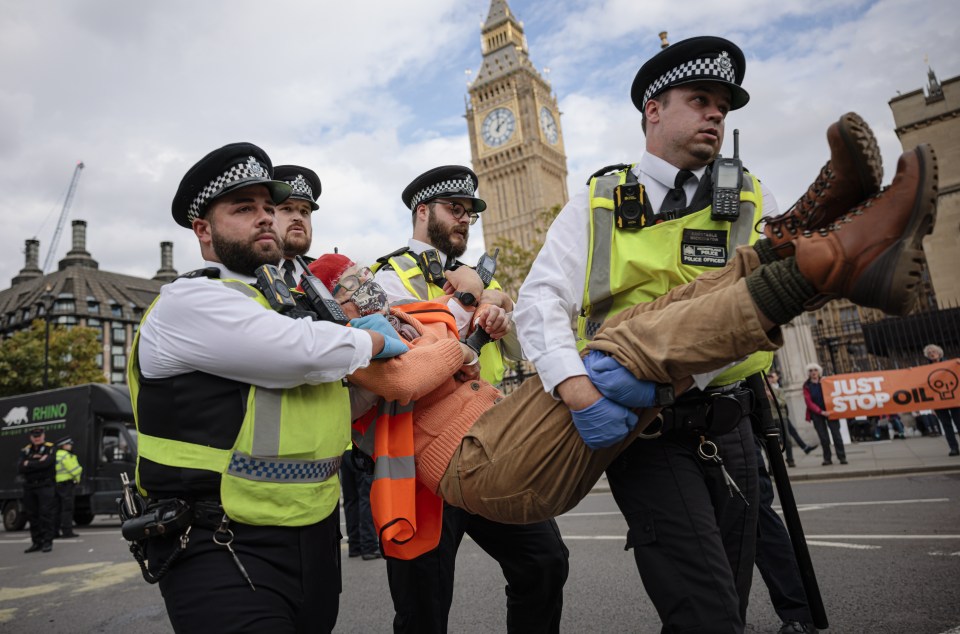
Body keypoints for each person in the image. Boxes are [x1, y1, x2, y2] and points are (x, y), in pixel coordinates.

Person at [307, 129, 936, 528]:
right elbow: (413, 376)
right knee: (623, 347)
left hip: (498, 425)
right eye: (353, 288)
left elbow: (454, 352)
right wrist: (460, 327)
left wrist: (467, 318)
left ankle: (793, 238)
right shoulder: (349, 342)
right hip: (478, 463)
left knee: (637, 324)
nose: (366, 289)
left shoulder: (406, 316)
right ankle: (829, 265)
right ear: (336, 302)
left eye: (365, 281)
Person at [513, 35, 891, 632]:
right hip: (647, 431)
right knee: (708, 616)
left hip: (733, 424)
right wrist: (574, 388)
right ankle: (842, 239)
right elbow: (537, 301)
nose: (716, 112)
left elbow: (761, 308)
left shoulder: (744, 192)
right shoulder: (600, 197)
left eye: (723, 104)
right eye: (700, 98)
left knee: (726, 608)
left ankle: (838, 234)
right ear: (654, 110)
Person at [128, 142, 408, 634]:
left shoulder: (281, 304)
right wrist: (371, 339)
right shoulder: (192, 299)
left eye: (267, 207)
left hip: (313, 535)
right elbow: (297, 354)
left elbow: (321, 408)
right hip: (219, 541)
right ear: (203, 230)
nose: (265, 218)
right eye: (243, 208)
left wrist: (385, 384)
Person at [372, 165, 569, 634]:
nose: (464, 220)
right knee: (424, 606)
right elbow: (405, 354)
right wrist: (468, 299)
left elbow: (522, 351)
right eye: (453, 210)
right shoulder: (386, 277)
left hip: (487, 449)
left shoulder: (481, 279)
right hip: (420, 461)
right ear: (423, 212)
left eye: (469, 213)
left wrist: (502, 311)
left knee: (544, 562)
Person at [273, 164, 320, 284]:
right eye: (287, 209)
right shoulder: (244, 270)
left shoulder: (323, 275)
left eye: (304, 211)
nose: (299, 218)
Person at [18, 427, 57, 553]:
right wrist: (37, 462)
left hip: (45, 486)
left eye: (39, 436)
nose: (37, 438)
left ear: (43, 436)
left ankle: (47, 542)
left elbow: (46, 464)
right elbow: (20, 467)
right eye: (34, 436)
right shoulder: (26, 450)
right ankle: (36, 542)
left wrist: (29, 463)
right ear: (31, 437)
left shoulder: (50, 448)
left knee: (46, 514)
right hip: (30, 487)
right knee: (32, 515)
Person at [766, 370, 817, 467]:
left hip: (782, 417)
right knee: (773, 442)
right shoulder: (763, 391)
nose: (769, 379)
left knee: (788, 439)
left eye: (771, 377)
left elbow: (782, 403)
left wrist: (772, 396)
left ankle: (790, 459)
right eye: (767, 377)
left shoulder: (779, 390)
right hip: (771, 418)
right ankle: (773, 465)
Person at [803, 363, 848, 465]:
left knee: (836, 435)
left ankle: (842, 457)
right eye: (811, 371)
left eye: (815, 370)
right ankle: (827, 459)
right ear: (808, 373)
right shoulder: (807, 385)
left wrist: (830, 410)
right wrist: (820, 411)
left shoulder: (826, 381)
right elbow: (808, 402)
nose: (813, 372)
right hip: (817, 414)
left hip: (830, 412)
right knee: (823, 438)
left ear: (819, 371)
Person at [341, 448, 380, 560]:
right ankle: (369, 547)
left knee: (351, 500)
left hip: (344, 452)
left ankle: (354, 546)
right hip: (360, 449)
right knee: (366, 499)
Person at [923, 344, 959, 456]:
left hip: (954, 398)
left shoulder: (951, 364)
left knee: (959, 422)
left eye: (933, 351)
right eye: (929, 353)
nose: (932, 354)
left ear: (939, 352)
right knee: (946, 425)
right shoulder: (924, 369)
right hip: (938, 401)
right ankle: (953, 448)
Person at [54, 436, 82, 539]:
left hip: (57, 485)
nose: (70, 446)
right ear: (64, 445)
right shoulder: (66, 456)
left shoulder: (56, 455)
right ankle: (67, 532)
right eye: (69, 444)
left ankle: (54, 532)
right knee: (67, 509)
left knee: (57, 509)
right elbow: (75, 470)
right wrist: (79, 470)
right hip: (67, 485)